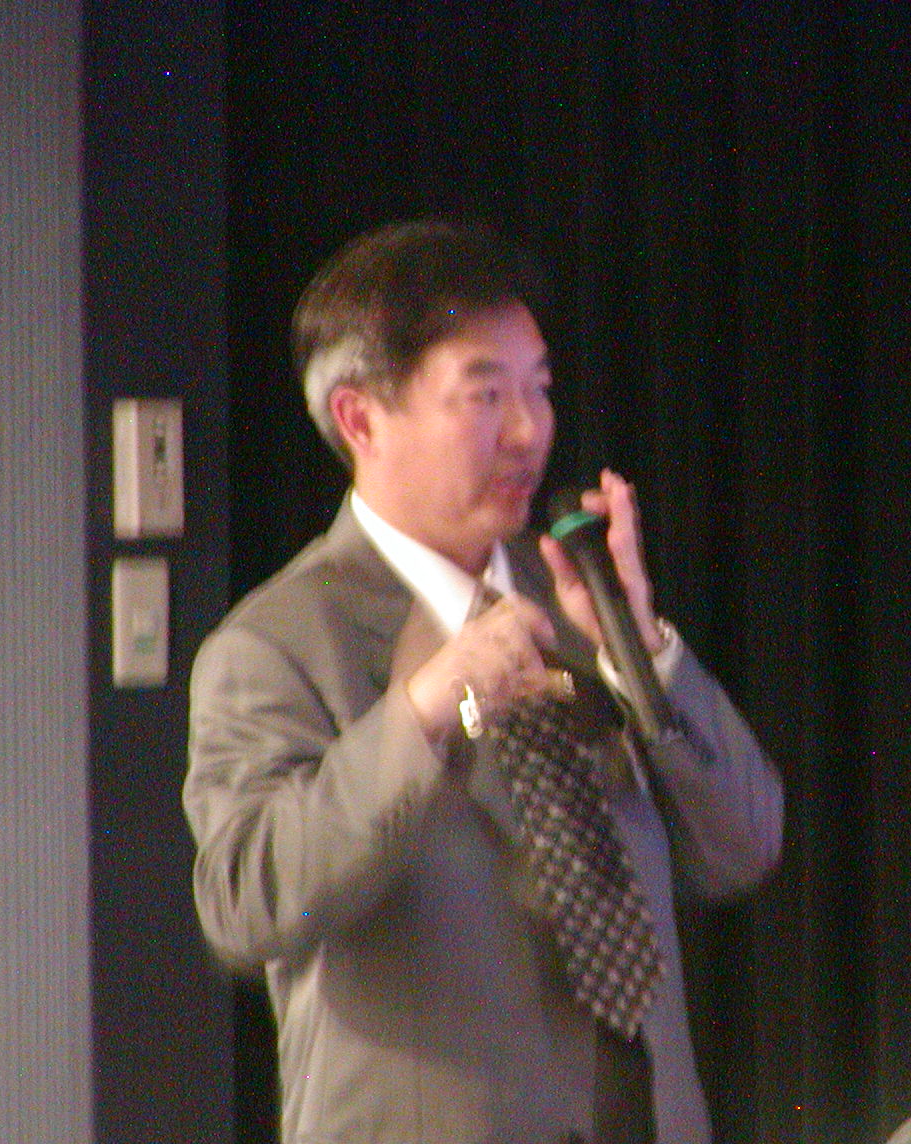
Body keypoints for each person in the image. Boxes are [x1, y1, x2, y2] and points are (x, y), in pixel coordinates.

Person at [183, 219, 784, 1144]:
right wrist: (423, 710)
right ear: (360, 418)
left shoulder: (573, 600)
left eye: (538, 387)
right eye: (485, 394)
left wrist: (643, 647)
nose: (528, 430)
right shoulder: (278, 643)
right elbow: (245, 903)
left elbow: (744, 843)